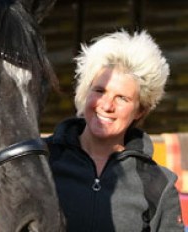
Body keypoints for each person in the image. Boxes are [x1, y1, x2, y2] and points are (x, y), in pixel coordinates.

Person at [45, 30, 185, 232]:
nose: (106, 105)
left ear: (140, 110)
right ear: (86, 92)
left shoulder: (158, 185)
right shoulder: (42, 161)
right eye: (100, 91)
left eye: (122, 98)